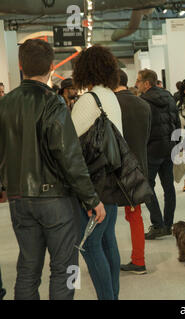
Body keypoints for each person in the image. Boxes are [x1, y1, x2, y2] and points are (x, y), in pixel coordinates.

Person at [0, 39, 105, 300]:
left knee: (27, 268)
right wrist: (91, 198)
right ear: (50, 67)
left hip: (18, 199)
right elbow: (69, 155)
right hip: (55, 199)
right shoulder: (53, 103)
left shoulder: (4, 104)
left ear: (21, 66)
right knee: (66, 266)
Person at [71, 45, 122, 300]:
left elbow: (69, 144)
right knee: (106, 240)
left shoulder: (88, 100)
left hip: (93, 184)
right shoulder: (111, 97)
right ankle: (112, 295)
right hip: (112, 179)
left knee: (90, 245)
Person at [136, 69, 181, 240]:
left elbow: (142, 129)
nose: (137, 84)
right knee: (169, 187)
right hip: (169, 148)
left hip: (152, 150)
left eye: (139, 81)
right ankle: (168, 225)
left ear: (147, 83)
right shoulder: (169, 97)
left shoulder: (142, 101)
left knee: (147, 187)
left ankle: (158, 224)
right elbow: (176, 122)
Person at [114, 69, 151, 275]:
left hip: (115, 169)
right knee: (135, 215)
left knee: (106, 217)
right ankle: (139, 260)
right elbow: (147, 137)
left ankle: (108, 261)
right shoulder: (143, 104)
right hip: (138, 166)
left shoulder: (111, 105)